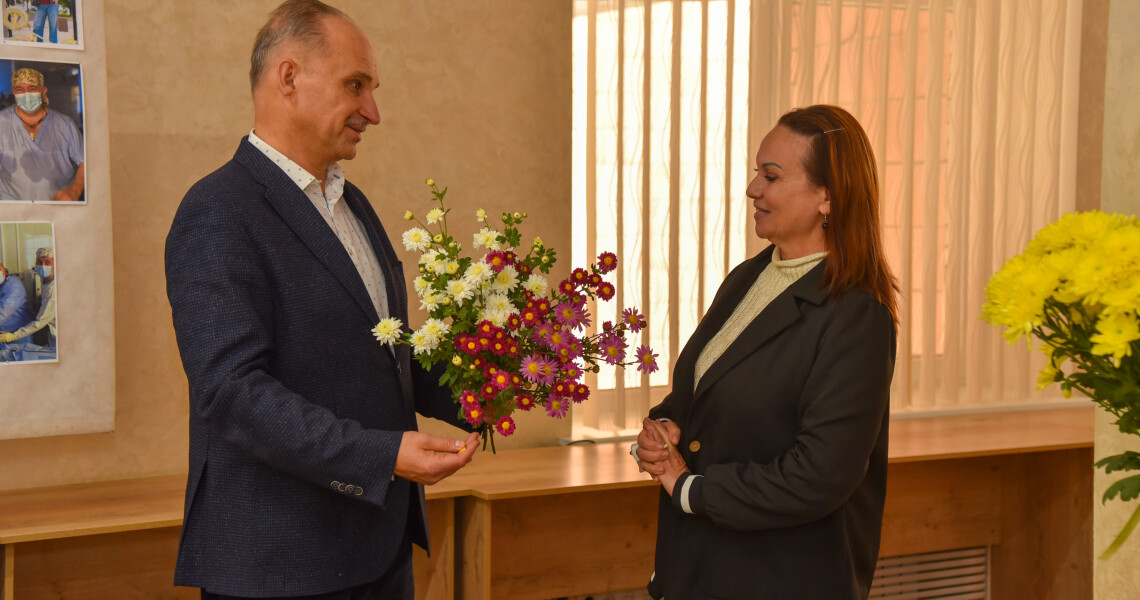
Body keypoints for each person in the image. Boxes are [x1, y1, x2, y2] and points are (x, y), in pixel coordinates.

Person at [164, 2, 480, 598]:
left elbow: (382, 353)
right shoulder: (218, 211)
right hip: (281, 565)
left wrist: (484, 390)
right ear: (289, 78)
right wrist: (382, 456)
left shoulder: (350, 202)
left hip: (376, 550)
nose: (374, 112)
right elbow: (231, 393)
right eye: (355, 85)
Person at [634, 104, 899, 600]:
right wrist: (666, 426)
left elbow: (819, 476)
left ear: (828, 196)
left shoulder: (857, 315)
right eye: (757, 172)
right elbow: (700, 394)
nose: (753, 188)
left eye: (771, 176)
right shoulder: (747, 278)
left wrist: (690, 489)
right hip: (698, 571)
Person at [0, 67, 86, 201]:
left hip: (58, 207)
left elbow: (85, 162)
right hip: (13, 209)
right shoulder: (2, 123)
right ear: (13, 92)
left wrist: (74, 191)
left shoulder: (65, 125)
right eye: (20, 90)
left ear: (43, 91)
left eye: (32, 88)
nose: (26, 94)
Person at [0, 247, 56, 350]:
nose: (43, 266)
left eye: (47, 262)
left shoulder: (53, 288)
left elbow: (41, 321)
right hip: (44, 332)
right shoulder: (45, 281)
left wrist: (12, 336)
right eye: (39, 262)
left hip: (20, 336)